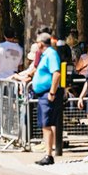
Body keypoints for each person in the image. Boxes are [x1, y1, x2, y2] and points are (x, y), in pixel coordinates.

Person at [31, 32, 62, 166]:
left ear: (40, 43)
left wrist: (52, 92)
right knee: (45, 124)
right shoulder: (47, 55)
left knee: (47, 124)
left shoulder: (51, 54)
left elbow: (56, 73)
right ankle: (48, 153)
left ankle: (48, 154)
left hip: (48, 93)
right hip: (44, 93)